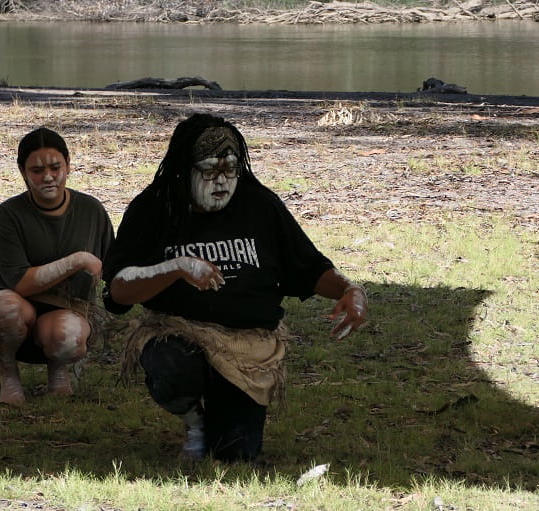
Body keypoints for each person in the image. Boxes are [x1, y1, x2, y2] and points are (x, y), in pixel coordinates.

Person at [101, 113, 368, 462]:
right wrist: (176, 268)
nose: (221, 181)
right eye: (209, 170)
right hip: (181, 334)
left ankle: (225, 413)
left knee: (235, 454)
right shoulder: (153, 208)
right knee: (169, 361)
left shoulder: (260, 205)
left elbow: (309, 267)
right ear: (184, 170)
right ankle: (194, 420)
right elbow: (118, 290)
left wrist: (350, 289)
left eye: (230, 169)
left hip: (247, 347)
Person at [0, 127, 114, 404]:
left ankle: (59, 371)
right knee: (5, 308)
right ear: (22, 172)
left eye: (55, 167)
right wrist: (77, 260)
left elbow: (113, 265)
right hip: (17, 302)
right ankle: (8, 373)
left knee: (68, 337)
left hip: (68, 308)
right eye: (37, 170)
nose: (47, 176)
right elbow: (20, 283)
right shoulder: (7, 215)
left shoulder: (92, 210)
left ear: (68, 164)